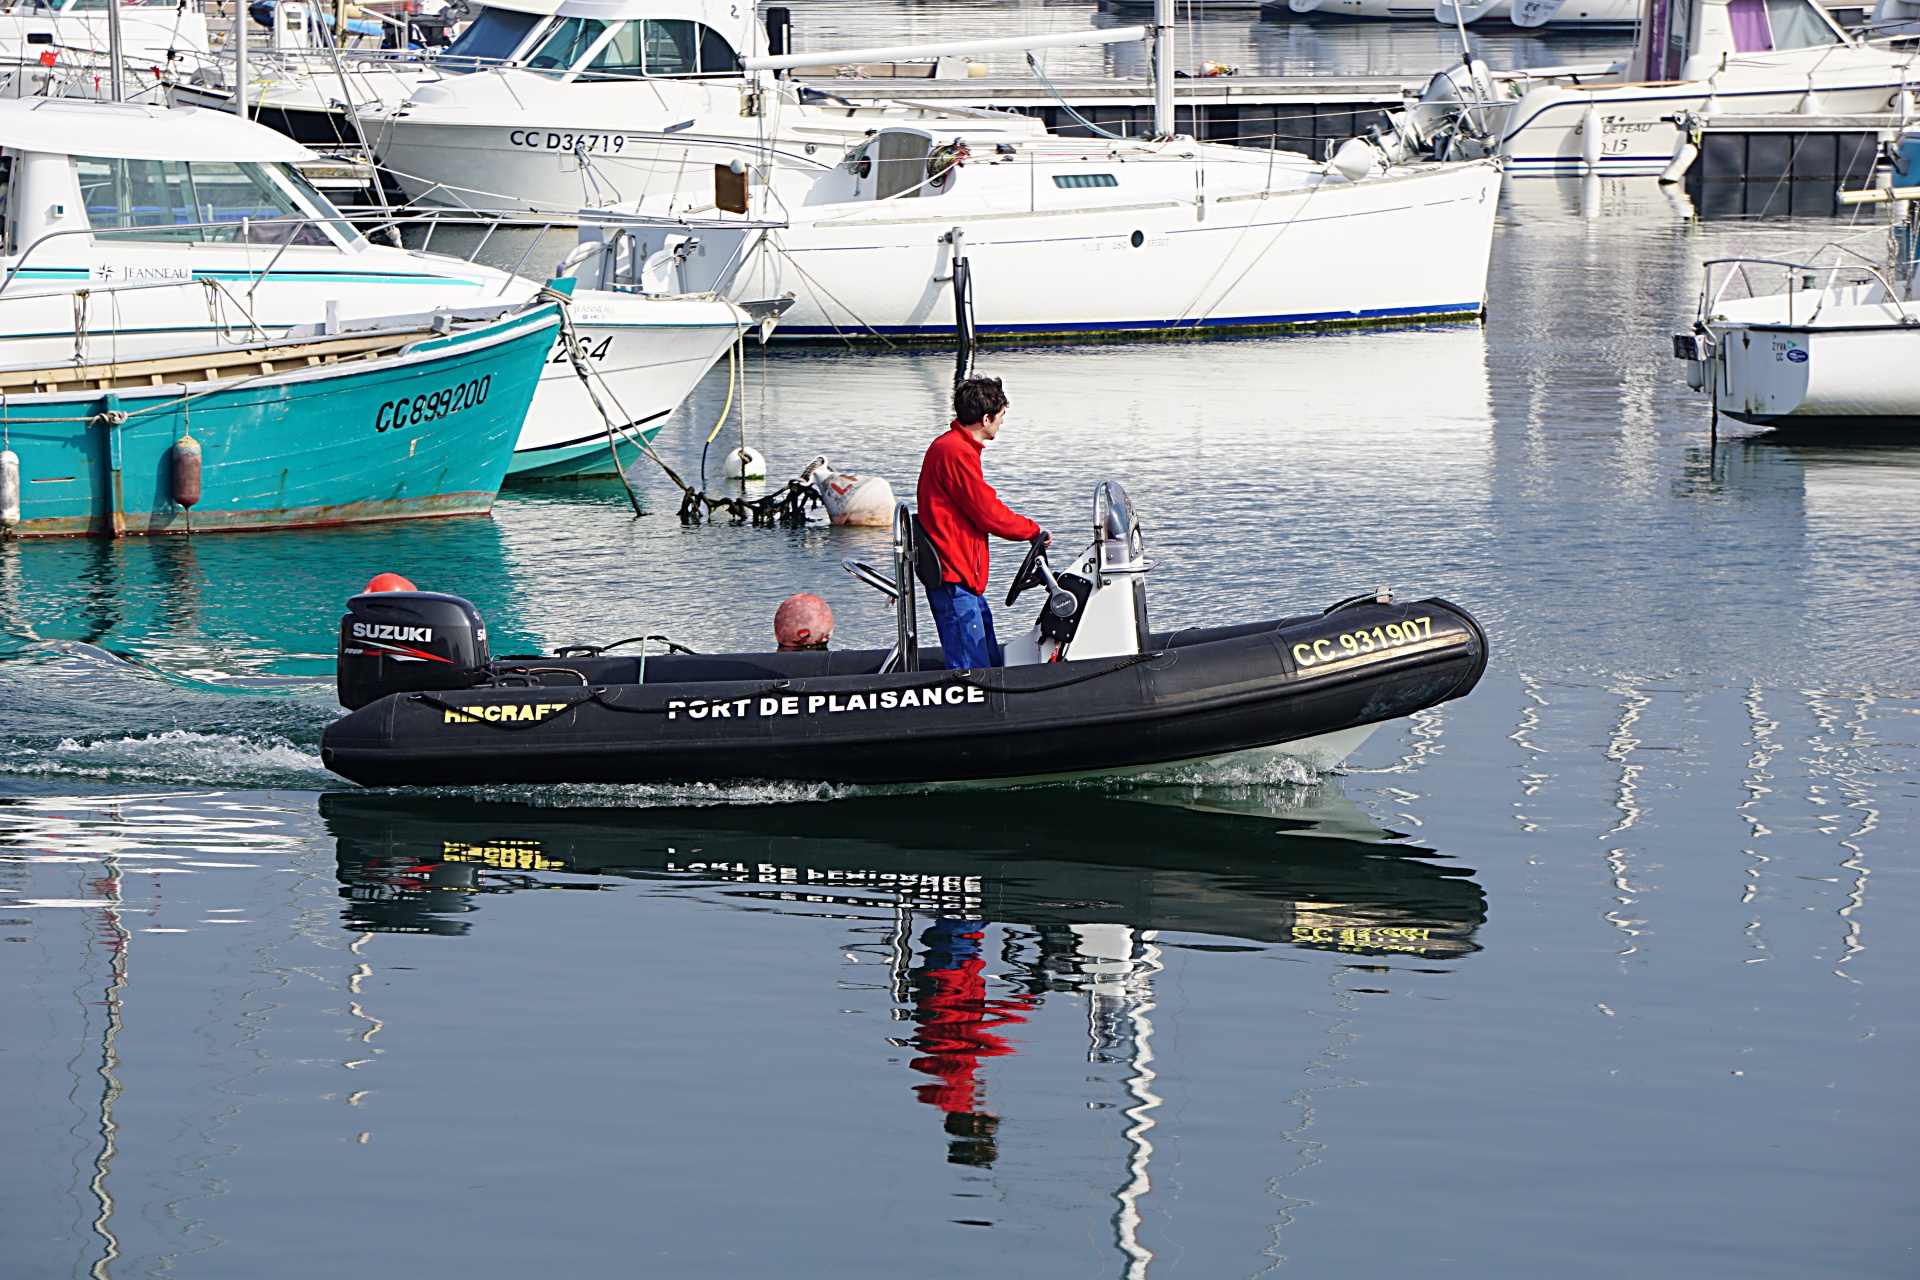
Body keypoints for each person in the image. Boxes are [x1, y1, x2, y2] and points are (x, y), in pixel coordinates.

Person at [916, 376, 1047, 670]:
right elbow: (987, 513)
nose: (1002, 422)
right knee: (971, 670)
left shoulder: (954, 448)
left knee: (986, 658)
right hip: (954, 577)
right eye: (1001, 416)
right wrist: (1032, 531)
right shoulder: (956, 452)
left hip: (963, 579)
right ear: (986, 418)